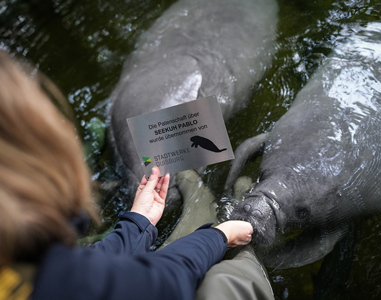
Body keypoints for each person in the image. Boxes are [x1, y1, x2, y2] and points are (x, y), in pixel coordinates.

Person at [0, 49, 253, 300]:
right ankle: (252, 260)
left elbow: (92, 270)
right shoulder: (61, 282)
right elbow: (167, 281)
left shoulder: (27, 266)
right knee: (221, 284)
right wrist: (222, 235)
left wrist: (138, 220)